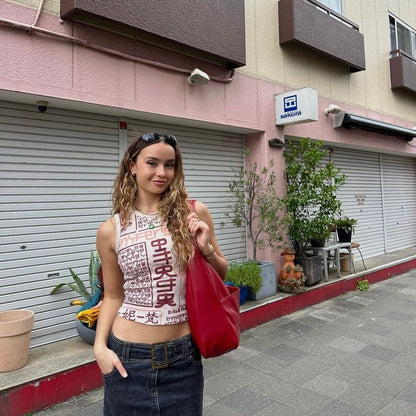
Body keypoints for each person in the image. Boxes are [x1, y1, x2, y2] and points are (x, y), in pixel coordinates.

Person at [94, 132, 228, 415]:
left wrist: (205, 249)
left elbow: (221, 274)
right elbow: (114, 295)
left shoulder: (193, 213)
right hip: (127, 359)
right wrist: (99, 348)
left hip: (183, 359)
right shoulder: (111, 229)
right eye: (152, 163)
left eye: (170, 165)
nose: (162, 172)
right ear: (132, 166)